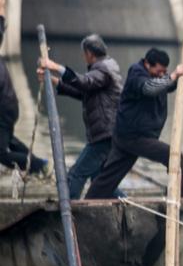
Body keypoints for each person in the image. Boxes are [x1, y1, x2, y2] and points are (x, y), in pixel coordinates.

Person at [84, 47, 183, 199]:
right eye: (159, 71)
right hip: (133, 136)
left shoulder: (161, 77)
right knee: (172, 155)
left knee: (109, 176)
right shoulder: (136, 73)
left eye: (164, 72)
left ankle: (89, 201)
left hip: (129, 136)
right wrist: (173, 75)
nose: (162, 74)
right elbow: (149, 88)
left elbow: (178, 81)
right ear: (147, 64)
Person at [37, 34, 124, 198]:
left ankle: (69, 209)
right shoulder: (105, 67)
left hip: (104, 136)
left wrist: (54, 66)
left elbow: (84, 82)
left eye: (84, 53)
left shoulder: (103, 69)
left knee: (76, 174)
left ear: (89, 53)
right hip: (107, 135)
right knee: (100, 180)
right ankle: (126, 203)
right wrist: (55, 81)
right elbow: (83, 92)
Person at [0, 1, 48, 176]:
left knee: (1, 152)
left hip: (4, 111)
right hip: (9, 108)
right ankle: (38, 163)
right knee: (8, 140)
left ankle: (38, 165)